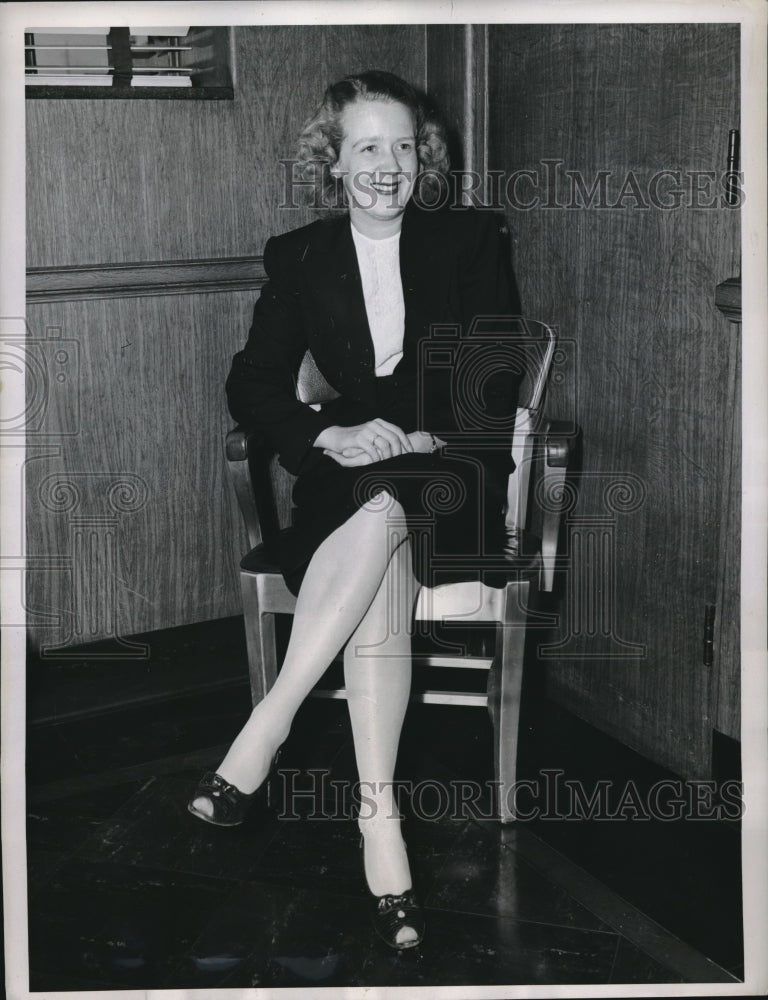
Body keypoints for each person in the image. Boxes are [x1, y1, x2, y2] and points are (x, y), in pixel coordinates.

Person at [188, 70, 520, 951]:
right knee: (376, 531)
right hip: (353, 476)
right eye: (368, 146)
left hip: (450, 472)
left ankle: (266, 728)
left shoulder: (472, 241)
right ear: (332, 162)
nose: (389, 164)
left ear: (426, 157)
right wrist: (322, 438)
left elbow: (493, 375)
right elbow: (253, 384)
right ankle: (384, 833)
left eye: (405, 146)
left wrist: (413, 440)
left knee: (388, 505)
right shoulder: (299, 256)